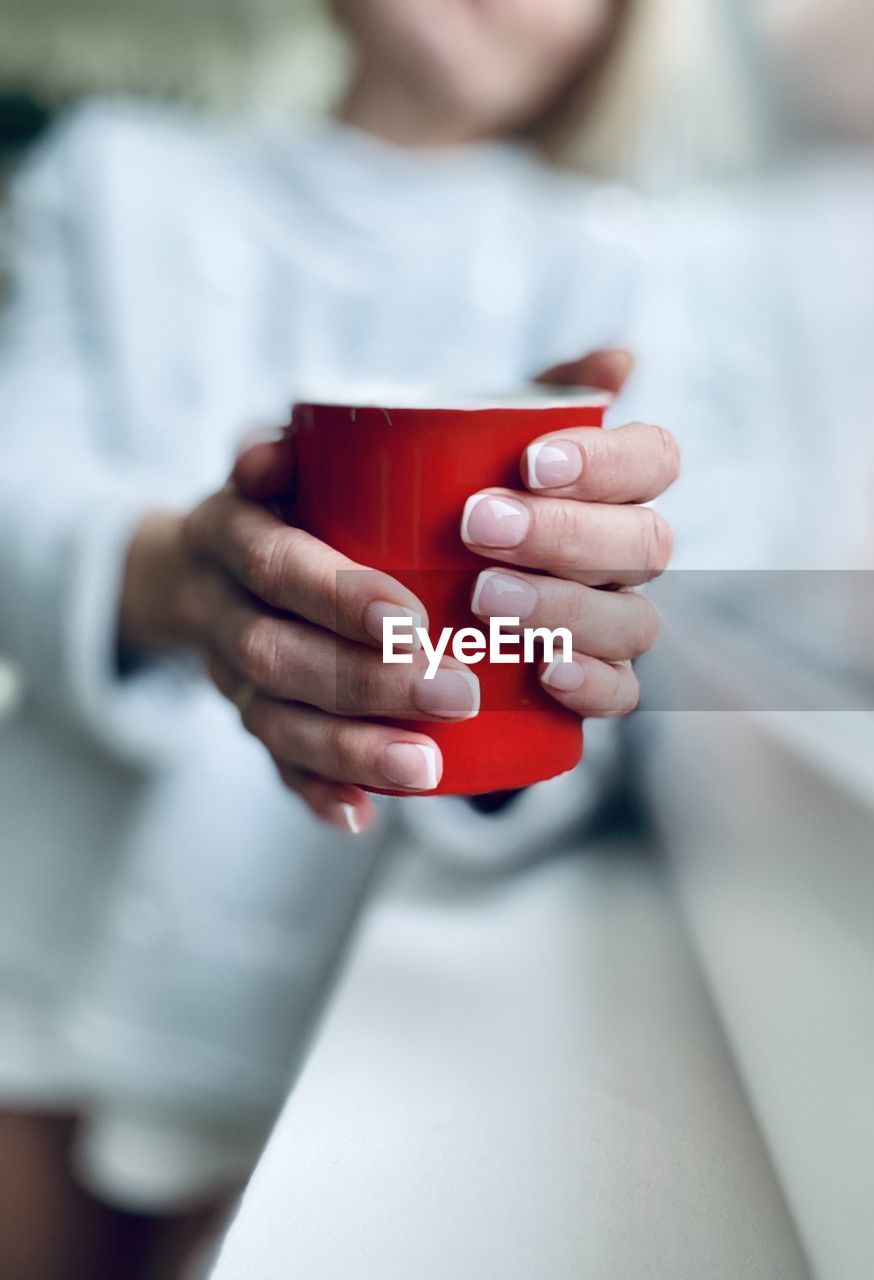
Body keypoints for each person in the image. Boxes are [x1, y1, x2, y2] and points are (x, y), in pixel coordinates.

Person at [0, 2, 687, 1276]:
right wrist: (185, 578)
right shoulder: (112, 173)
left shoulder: (616, 264)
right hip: (45, 937)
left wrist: (540, 678)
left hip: (348, 1007)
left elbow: (623, 686)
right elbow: (18, 501)